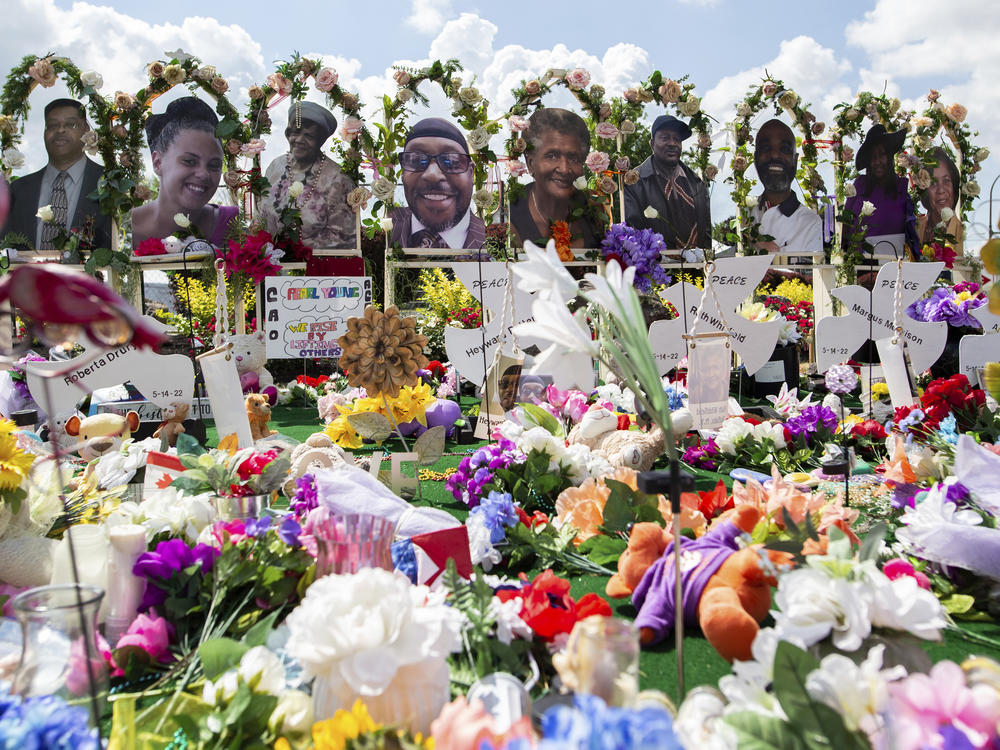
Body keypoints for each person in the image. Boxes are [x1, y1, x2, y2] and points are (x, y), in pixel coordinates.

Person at [3, 98, 112, 251]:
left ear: (86, 129)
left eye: (71, 124)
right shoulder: (18, 190)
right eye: (53, 125)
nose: (60, 130)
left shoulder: (110, 183)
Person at [131, 97, 237, 249]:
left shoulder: (233, 223)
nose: (203, 174)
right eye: (189, 161)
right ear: (157, 162)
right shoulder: (128, 228)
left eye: (214, 165)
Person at [258, 101, 356, 249]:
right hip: (270, 263)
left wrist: (292, 250)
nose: (299, 140)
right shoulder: (275, 167)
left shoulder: (338, 179)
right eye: (295, 133)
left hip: (318, 266)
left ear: (320, 141)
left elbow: (344, 237)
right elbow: (262, 216)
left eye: (309, 136)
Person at [509, 108, 605, 249]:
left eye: (574, 158)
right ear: (531, 164)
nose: (564, 169)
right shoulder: (511, 212)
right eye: (552, 156)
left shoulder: (593, 209)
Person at [391, 118, 485, 249]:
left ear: (471, 173)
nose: (432, 175)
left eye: (451, 161)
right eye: (416, 160)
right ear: (402, 172)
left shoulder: (496, 237)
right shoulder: (385, 232)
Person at [624, 114, 710, 250]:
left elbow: (706, 232)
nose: (672, 143)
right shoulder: (635, 181)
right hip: (656, 268)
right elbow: (632, 231)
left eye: (677, 139)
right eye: (665, 138)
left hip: (697, 268)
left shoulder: (697, 184)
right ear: (652, 144)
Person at [844, 124, 919, 258]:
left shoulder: (901, 189)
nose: (878, 161)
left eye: (882, 155)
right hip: (860, 265)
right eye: (873, 157)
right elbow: (845, 223)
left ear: (889, 157)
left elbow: (910, 230)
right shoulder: (860, 185)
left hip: (894, 266)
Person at [749, 119, 821, 258]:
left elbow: (811, 277)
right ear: (756, 158)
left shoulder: (810, 222)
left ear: (795, 161)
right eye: (765, 148)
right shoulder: (745, 212)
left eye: (785, 149)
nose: (775, 155)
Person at [916, 147, 963, 254]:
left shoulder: (960, 230)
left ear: (954, 186)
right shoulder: (917, 227)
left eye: (946, 181)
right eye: (933, 183)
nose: (941, 190)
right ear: (925, 190)